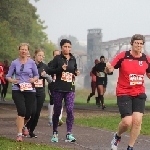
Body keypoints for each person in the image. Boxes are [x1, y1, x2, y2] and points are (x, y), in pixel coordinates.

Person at [106, 34, 150, 150]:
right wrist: (108, 68)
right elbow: (110, 68)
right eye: (137, 43)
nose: (139, 46)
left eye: (141, 44)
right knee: (126, 122)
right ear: (132, 43)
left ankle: (130, 147)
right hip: (124, 92)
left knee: (137, 121)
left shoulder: (146, 59)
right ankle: (117, 136)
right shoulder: (123, 56)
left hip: (139, 93)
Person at [6, 43, 39, 142]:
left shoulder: (32, 63)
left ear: (28, 51)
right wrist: (12, 81)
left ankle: (24, 125)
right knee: (21, 112)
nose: (23, 51)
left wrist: (34, 79)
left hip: (29, 90)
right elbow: (8, 76)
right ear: (19, 50)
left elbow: (37, 75)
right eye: (22, 49)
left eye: (25, 49)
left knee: (29, 113)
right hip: (18, 89)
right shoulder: (14, 63)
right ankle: (19, 134)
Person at [49, 39, 80, 143]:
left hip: (70, 89)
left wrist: (76, 72)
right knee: (57, 111)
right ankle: (55, 132)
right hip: (58, 88)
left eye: (69, 47)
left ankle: (69, 133)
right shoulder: (57, 59)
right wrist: (60, 69)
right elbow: (50, 70)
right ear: (61, 47)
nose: (67, 49)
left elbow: (74, 69)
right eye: (65, 47)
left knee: (70, 110)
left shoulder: (73, 58)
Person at [25, 49, 52, 138]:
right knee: (32, 111)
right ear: (35, 55)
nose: (41, 57)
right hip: (31, 91)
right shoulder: (29, 65)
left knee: (37, 113)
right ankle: (26, 127)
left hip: (41, 91)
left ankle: (31, 131)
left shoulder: (45, 66)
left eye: (42, 56)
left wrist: (46, 75)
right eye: (39, 55)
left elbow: (50, 80)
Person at [48, 50, 64, 126]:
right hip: (52, 84)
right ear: (53, 56)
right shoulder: (50, 64)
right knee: (53, 101)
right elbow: (48, 72)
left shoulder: (63, 63)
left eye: (58, 55)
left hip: (60, 84)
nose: (57, 56)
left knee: (60, 101)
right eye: (55, 55)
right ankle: (50, 118)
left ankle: (59, 118)